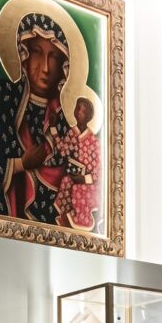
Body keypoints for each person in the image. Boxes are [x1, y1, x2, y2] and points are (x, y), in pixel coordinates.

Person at [0, 12, 72, 223]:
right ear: (24, 55)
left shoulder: (64, 121)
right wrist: (21, 163)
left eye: (54, 57)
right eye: (37, 52)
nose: (45, 67)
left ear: (63, 67)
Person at [51, 97, 102, 231]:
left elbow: (99, 170)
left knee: (77, 189)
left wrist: (84, 179)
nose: (78, 112)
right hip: (76, 176)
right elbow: (63, 150)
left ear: (89, 116)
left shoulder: (93, 141)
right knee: (66, 182)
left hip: (91, 182)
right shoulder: (72, 133)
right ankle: (65, 219)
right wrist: (53, 129)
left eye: (83, 111)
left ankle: (80, 223)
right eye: (77, 108)